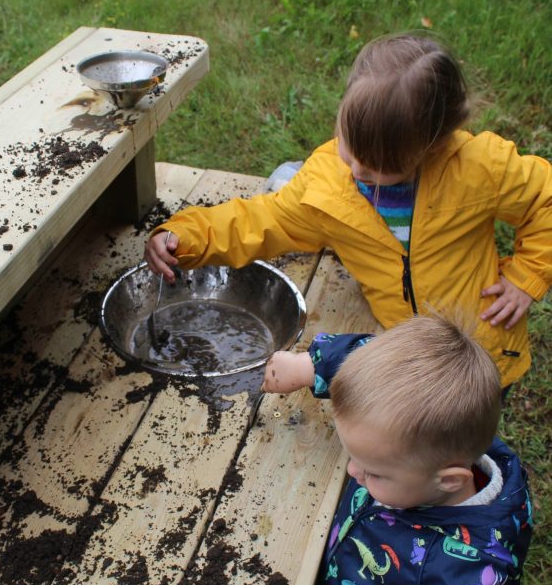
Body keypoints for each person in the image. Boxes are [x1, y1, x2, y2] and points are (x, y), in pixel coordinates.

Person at [144, 33, 552, 390]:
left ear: (432, 145)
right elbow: (263, 220)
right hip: (405, 349)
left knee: (469, 442)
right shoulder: (328, 182)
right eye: (348, 144)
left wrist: (527, 274)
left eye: (377, 168)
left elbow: (545, 198)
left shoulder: (478, 167)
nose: (356, 169)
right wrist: (188, 236)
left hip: (481, 350)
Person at [262, 313, 533, 585]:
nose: (352, 471)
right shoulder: (434, 441)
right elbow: (365, 355)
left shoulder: (467, 564)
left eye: (373, 472)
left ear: (449, 480)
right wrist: (307, 365)